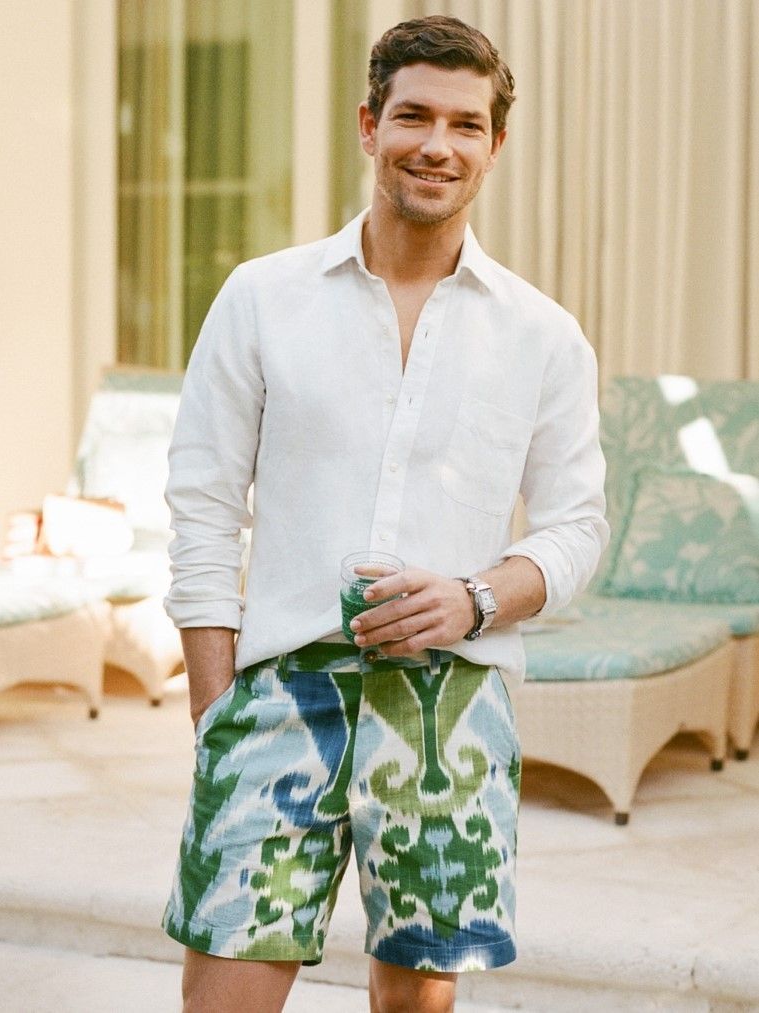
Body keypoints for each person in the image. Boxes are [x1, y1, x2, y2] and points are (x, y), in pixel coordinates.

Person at [162, 14, 609, 1013]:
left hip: (451, 705)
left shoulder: (543, 335)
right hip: (278, 686)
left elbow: (577, 525)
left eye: (463, 123)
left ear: (494, 143)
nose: (435, 144)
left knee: (415, 999)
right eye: (411, 115)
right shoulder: (261, 298)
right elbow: (200, 500)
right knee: (221, 992)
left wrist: (474, 598)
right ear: (368, 126)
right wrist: (213, 702)